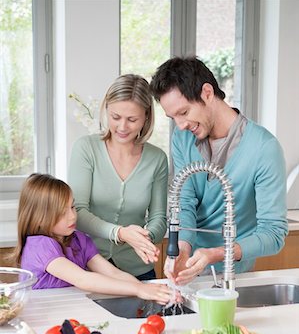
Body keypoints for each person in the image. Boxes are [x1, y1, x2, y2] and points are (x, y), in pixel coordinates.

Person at [150, 56, 288, 285]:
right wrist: (183, 247)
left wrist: (214, 253)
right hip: (189, 273)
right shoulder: (182, 138)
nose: (181, 125)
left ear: (207, 92)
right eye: (173, 117)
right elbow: (184, 201)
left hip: (234, 275)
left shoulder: (264, 148)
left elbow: (273, 234)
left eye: (184, 112)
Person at [12, 173, 174, 305]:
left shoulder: (78, 239)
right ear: (39, 217)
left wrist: (148, 290)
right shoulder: (39, 245)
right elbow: (83, 278)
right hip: (44, 317)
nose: (72, 216)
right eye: (62, 213)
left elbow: (112, 273)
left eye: (73, 207)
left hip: (70, 312)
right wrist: (139, 290)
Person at [68, 74, 168, 281]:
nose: (122, 127)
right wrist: (121, 233)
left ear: (146, 117)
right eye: (115, 117)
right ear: (106, 110)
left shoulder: (157, 159)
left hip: (140, 270)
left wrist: (143, 239)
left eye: (132, 119)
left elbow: (159, 218)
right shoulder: (86, 149)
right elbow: (77, 211)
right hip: (89, 267)